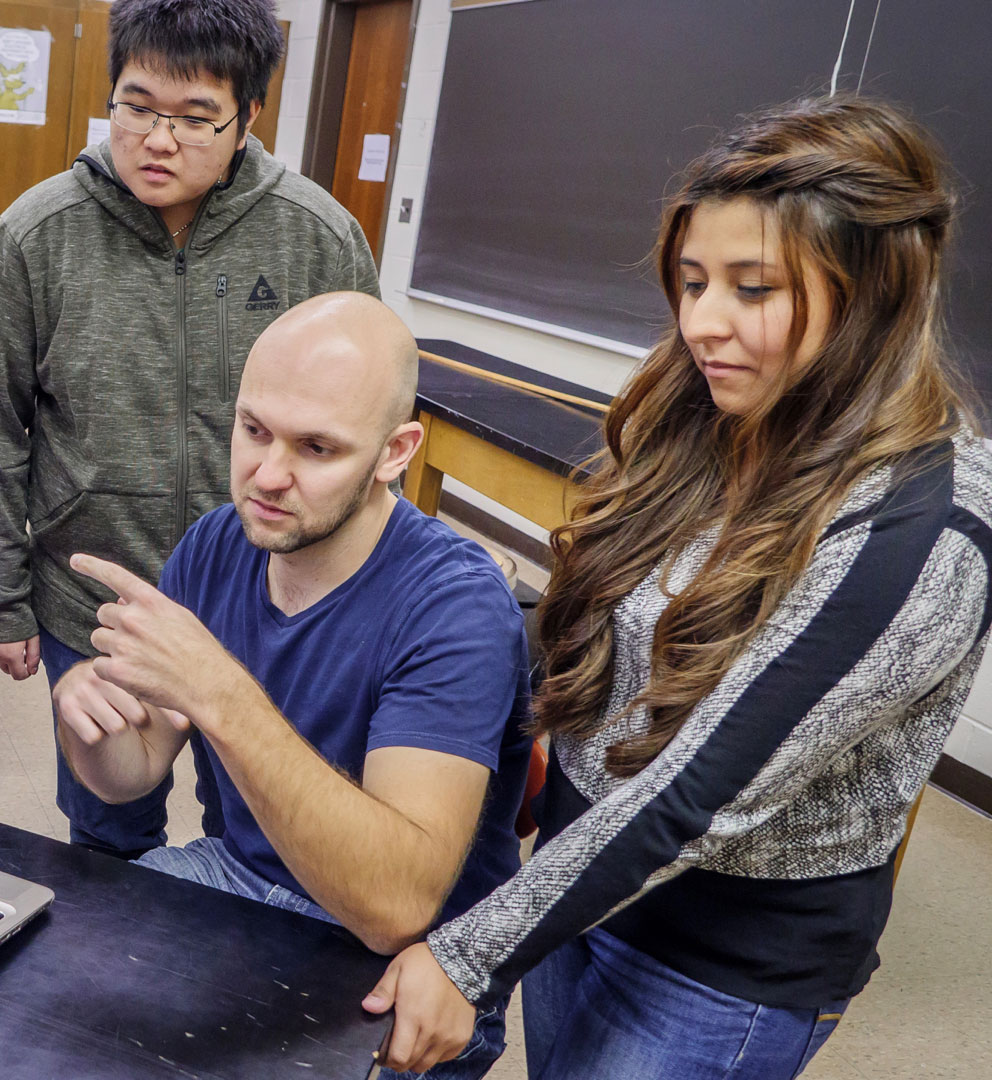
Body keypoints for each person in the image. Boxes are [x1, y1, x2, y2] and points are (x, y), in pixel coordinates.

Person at [365, 96, 992, 1079]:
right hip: (575, 898)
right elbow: (611, 606)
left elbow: (701, 793)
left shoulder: (926, 524)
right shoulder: (713, 411)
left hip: (715, 976)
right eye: (693, 281)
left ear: (875, 289)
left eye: (753, 288)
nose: (704, 323)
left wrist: (469, 955)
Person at [61, 293, 529, 1080]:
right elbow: (134, 772)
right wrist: (90, 725)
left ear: (394, 451)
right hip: (237, 875)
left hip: (415, 955)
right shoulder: (218, 542)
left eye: (316, 448)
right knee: (35, 989)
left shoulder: (456, 606)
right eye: (253, 431)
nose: (267, 476)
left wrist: (222, 694)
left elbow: (393, 907)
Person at [0, 0, 380, 857]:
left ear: (248, 116)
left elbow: (365, 422)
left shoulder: (317, 239)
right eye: (136, 106)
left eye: (195, 118)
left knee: (264, 832)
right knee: (107, 834)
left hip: (271, 605)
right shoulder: (38, 236)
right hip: (98, 602)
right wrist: (4, 599)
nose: (158, 139)